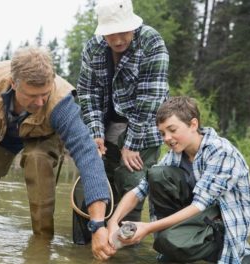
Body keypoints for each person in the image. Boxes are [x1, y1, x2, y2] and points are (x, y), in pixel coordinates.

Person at [0, 46, 115, 260]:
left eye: (45, 94)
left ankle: (42, 245)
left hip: (45, 135)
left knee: (37, 161)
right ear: (14, 84)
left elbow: (87, 155)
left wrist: (98, 224)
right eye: (32, 95)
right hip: (4, 131)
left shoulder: (61, 104)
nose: (40, 102)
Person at [107, 96, 250, 263]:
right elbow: (139, 191)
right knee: (156, 174)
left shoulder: (221, 152)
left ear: (193, 125)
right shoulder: (175, 154)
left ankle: (213, 250)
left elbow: (199, 204)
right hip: (200, 219)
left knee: (167, 241)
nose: (167, 138)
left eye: (172, 130)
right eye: (162, 133)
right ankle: (176, 242)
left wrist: (146, 228)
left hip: (224, 231)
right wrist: (113, 221)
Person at [77, 0, 169, 222]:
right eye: (110, 34)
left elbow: (151, 99)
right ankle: (94, 238)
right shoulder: (92, 47)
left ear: (133, 26)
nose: (117, 40)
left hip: (143, 129)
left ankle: (126, 245)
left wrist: (132, 144)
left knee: (132, 182)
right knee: (99, 182)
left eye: (123, 32)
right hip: (107, 125)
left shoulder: (151, 42)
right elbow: (87, 93)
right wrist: (95, 133)